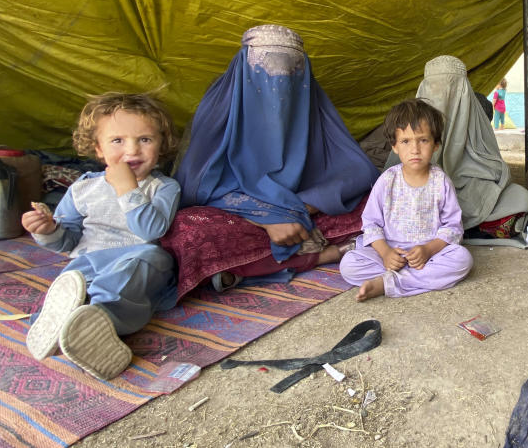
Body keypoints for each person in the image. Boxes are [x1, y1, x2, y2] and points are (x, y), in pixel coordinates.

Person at [162, 25, 379, 297]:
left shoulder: (313, 102)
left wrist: (302, 207)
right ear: (244, 70)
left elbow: (359, 170)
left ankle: (243, 268)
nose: (279, 81)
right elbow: (196, 186)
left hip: (306, 206)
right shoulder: (220, 104)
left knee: (382, 200)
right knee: (187, 232)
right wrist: (268, 218)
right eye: (265, 70)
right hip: (243, 214)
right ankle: (323, 254)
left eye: (291, 71)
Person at [21, 93, 180, 380]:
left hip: (140, 261)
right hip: (90, 261)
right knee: (74, 282)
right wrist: (47, 231)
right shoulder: (83, 187)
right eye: (117, 141)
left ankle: (99, 319)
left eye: (145, 139)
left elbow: (151, 231)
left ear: (161, 145)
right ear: (98, 149)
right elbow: (68, 240)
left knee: (142, 262)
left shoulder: (164, 187)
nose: (132, 150)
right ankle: (66, 322)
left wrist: (128, 189)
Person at [387, 56, 528, 241]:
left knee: (522, 201)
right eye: (434, 87)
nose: (443, 95)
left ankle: (458, 227)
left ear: (464, 92)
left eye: (452, 88)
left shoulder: (474, 118)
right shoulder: (407, 138)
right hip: (421, 193)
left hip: (472, 190)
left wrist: (479, 177)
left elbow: (494, 166)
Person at [340, 99, 472, 300]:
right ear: (394, 146)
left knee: (462, 260)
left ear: (436, 144)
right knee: (349, 265)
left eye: (423, 140)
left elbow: (453, 227)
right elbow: (371, 223)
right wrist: (385, 253)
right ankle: (408, 277)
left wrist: (428, 250)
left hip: (429, 256)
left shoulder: (440, 181)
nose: (415, 149)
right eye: (405, 141)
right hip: (390, 252)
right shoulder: (387, 180)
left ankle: (388, 283)